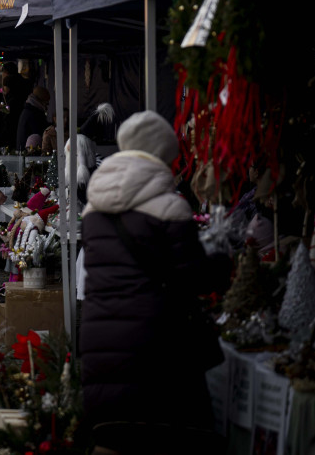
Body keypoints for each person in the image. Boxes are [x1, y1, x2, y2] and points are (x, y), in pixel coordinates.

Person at [81, 111, 226, 445]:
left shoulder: (94, 208)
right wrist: (222, 261)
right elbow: (193, 277)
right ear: (162, 155)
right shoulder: (170, 208)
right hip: (153, 342)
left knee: (110, 435)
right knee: (158, 436)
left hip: (99, 337)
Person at [16, 86, 51, 150]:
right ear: (41, 100)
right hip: (30, 153)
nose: (47, 105)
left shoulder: (28, 110)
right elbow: (40, 132)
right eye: (46, 102)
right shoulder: (34, 113)